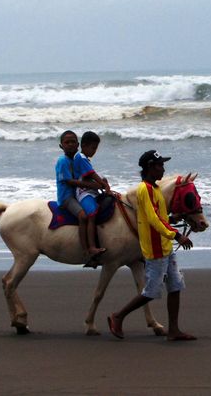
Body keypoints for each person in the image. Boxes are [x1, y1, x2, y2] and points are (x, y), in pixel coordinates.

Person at [107, 150, 196, 341]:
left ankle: (173, 330)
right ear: (149, 167)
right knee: (151, 291)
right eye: (159, 166)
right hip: (155, 249)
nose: (163, 169)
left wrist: (173, 219)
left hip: (165, 246)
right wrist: (177, 235)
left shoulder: (154, 189)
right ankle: (118, 316)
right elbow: (154, 220)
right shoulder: (144, 190)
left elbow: (160, 217)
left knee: (175, 285)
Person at [55, 130, 94, 262]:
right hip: (67, 197)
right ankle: (85, 250)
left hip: (77, 194)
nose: (70, 144)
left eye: (73, 142)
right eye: (67, 142)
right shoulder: (62, 161)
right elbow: (69, 181)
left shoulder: (77, 160)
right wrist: (91, 185)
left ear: (78, 145)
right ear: (61, 146)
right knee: (83, 216)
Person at [73, 131, 109, 263]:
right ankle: (91, 247)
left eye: (96, 148)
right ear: (84, 145)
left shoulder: (85, 159)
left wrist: (103, 181)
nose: (94, 151)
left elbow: (93, 175)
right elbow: (91, 174)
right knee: (92, 213)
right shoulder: (81, 157)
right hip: (83, 192)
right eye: (93, 148)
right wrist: (102, 184)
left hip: (90, 191)